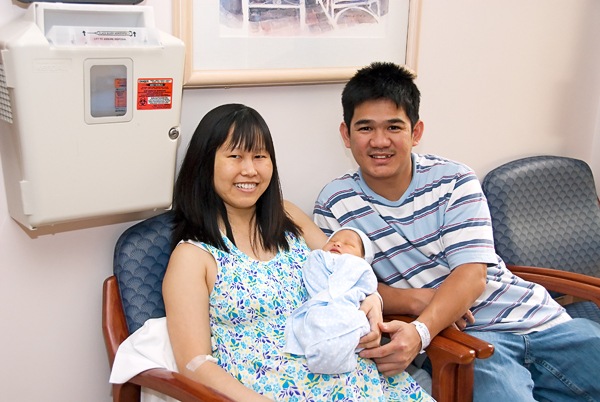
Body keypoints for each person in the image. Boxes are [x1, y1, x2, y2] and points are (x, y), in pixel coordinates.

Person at [313, 62, 600, 402]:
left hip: (541, 320)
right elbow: (344, 283)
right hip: (466, 341)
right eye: (365, 128)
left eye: (394, 126)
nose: (380, 141)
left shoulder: (453, 180)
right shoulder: (334, 203)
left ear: (416, 132)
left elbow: (473, 274)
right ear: (346, 135)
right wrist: (413, 300)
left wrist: (420, 331)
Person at [163, 103, 433, 402]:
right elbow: (195, 365)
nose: (250, 169)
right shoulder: (193, 257)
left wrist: (370, 300)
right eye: (235, 156)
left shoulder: (287, 217)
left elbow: (343, 267)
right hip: (269, 392)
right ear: (204, 164)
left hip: (355, 379)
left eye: (260, 156)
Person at [283, 227, 378, 375]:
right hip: (322, 307)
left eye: (349, 244)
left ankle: (339, 357)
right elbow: (313, 280)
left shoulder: (360, 267)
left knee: (350, 329)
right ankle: (326, 355)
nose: (338, 244)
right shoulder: (318, 258)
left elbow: (367, 285)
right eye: (333, 241)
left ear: (363, 258)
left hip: (348, 308)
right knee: (317, 324)